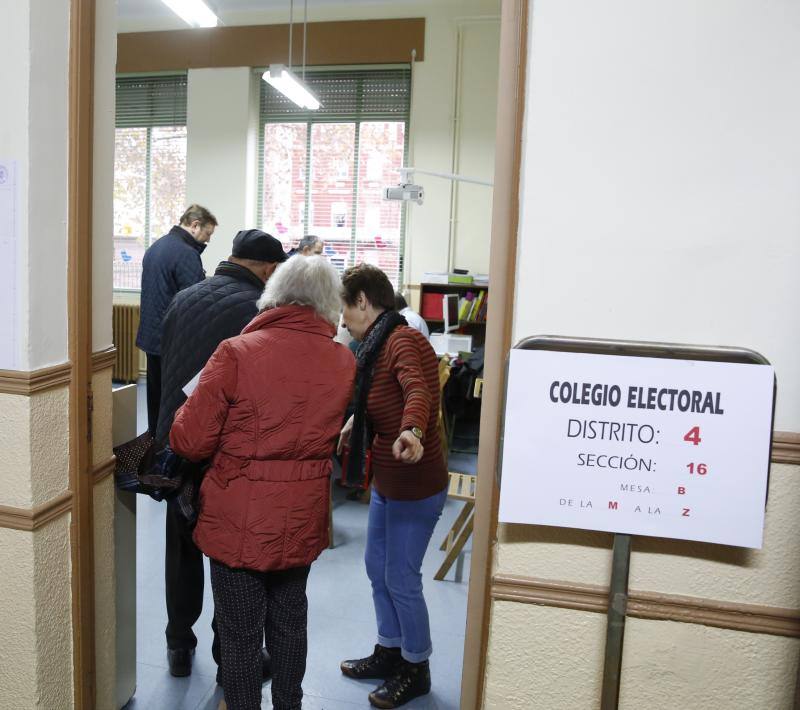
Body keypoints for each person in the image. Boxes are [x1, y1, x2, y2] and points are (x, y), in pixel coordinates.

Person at [169, 255, 356, 710]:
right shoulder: (342, 360)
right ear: (329, 302)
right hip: (303, 512)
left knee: (239, 631)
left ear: (274, 293)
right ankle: (289, 703)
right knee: (291, 620)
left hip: (239, 515)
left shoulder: (235, 352)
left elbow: (189, 440)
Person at [156, 229, 288, 679]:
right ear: (269, 269)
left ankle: (178, 645)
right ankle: (224, 651)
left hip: (175, 447)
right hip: (223, 453)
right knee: (228, 556)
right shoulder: (258, 312)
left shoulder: (185, 297)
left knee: (180, 550)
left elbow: (160, 371)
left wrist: (163, 438)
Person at [337, 264, 448, 709]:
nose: (343, 321)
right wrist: (353, 421)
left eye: (346, 309)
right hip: (388, 476)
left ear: (363, 300)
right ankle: (389, 650)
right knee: (376, 565)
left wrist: (413, 432)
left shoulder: (403, 340)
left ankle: (415, 667)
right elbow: (379, 396)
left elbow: (416, 389)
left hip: (416, 481)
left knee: (401, 577)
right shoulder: (376, 343)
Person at [137, 204, 218, 435]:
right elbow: (193, 303)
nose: (208, 240)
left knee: (155, 397)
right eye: (207, 234)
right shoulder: (186, 254)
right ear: (194, 225)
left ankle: (153, 446)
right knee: (174, 402)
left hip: (151, 336)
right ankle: (168, 455)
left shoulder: (157, 246)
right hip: (173, 340)